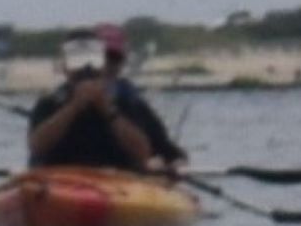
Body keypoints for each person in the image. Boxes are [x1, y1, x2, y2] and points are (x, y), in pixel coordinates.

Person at [28, 25, 189, 176]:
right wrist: (73, 107)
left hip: (116, 179)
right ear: (65, 65)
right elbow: (37, 147)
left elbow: (142, 152)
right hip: (60, 180)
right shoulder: (50, 103)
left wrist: (108, 111)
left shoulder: (125, 103)